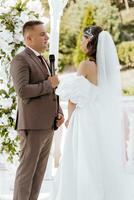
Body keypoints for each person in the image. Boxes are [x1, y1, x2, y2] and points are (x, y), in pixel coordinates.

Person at [51, 26, 128, 200]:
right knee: (98, 159)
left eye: (83, 39)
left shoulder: (86, 65)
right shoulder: (108, 69)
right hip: (100, 118)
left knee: (83, 159)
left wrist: (69, 117)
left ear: (90, 41)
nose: (80, 42)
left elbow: (73, 97)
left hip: (85, 119)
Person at [10, 20, 64, 200]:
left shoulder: (43, 59)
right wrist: (48, 84)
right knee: (26, 174)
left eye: (46, 34)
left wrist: (59, 112)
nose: (46, 37)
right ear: (28, 38)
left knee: (39, 175)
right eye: (42, 34)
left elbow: (52, 90)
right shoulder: (21, 59)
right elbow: (23, 91)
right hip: (32, 126)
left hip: (48, 125)